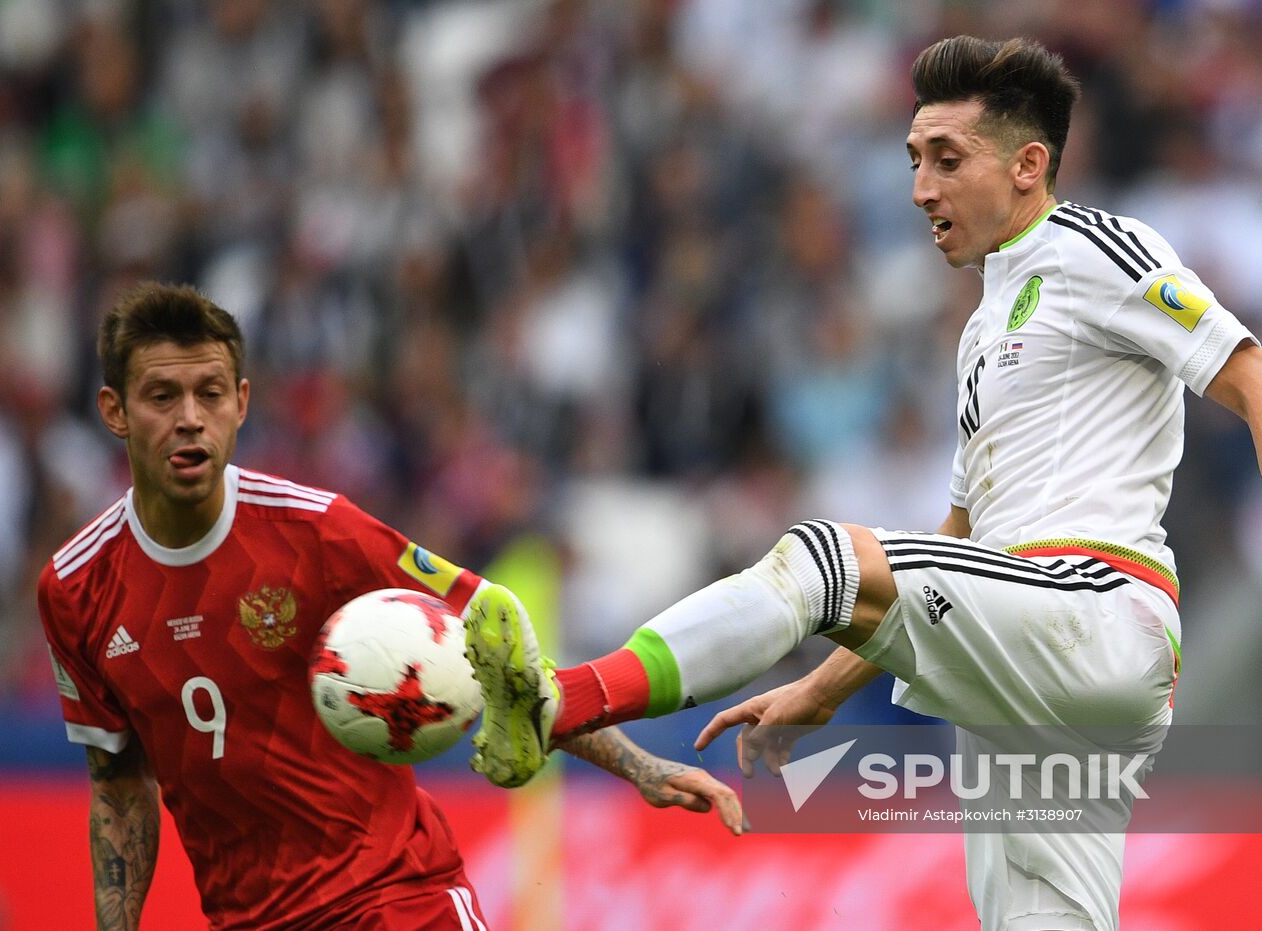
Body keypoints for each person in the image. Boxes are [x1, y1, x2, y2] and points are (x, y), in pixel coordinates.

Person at [462, 35, 1262, 931]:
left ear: (1028, 166)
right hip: (1020, 662)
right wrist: (818, 692)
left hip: (1094, 610)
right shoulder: (980, 338)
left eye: (946, 159)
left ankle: (561, 697)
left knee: (819, 557)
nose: (921, 188)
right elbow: (958, 542)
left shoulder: (1097, 247)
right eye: (913, 161)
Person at [38, 282, 742, 931]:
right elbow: (119, 781)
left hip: (397, 895)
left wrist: (638, 765)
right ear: (115, 412)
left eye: (210, 393)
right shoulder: (74, 589)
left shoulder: (319, 531)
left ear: (242, 402)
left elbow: (499, 653)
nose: (190, 419)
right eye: (163, 396)